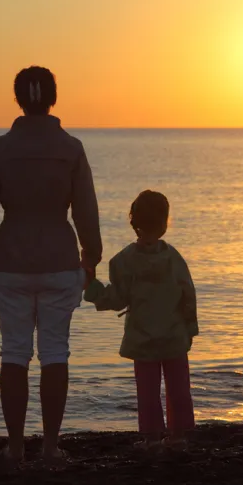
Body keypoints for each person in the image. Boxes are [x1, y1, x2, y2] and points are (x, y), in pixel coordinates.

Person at [0, 66, 102, 463]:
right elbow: (86, 212)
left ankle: (13, 447)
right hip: (60, 260)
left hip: (12, 261)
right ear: (53, 98)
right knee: (55, 353)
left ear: (18, 100)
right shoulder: (71, 148)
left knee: (14, 353)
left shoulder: (0, 148)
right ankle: (49, 446)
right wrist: (90, 258)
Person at [84, 190, 198, 449]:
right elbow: (188, 294)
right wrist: (190, 329)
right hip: (174, 336)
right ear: (165, 223)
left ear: (134, 222)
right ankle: (179, 435)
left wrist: (91, 287)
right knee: (179, 389)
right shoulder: (174, 258)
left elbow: (116, 299)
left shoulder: (124, 261)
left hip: (142, 338)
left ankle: (151, 437)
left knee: (147, 391)